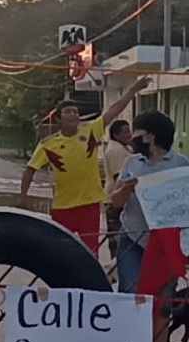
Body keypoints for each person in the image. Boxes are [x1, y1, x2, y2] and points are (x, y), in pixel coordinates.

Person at [19, 75, 151, 253]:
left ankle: (89, 282)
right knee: (59, 252)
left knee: (90, 252)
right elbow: (30, 169)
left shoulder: (91, 132)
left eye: (75, 111)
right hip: (62, 208)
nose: (73, 114)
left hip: (89, 206)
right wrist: (23, 197)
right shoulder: (47, 144)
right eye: (68, 112)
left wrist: (134, 90)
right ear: (59, 119)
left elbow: (114, 109)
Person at [109, 110, 189, 342]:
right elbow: (115, 202)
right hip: (133, 239)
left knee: (162, 302)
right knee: (131, 297)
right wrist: (127, 188)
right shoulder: (132, 163)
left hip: (166, 244)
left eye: (138, 134)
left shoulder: (182, 165)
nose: (133, 138)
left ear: (151, 136)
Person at [101, 119, 133, 259]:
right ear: (116, 134)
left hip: (121, 199)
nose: (129, 134)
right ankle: (117, 268)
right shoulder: (116, 151)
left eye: (129, 130)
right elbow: (119, 178)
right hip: (116, 200)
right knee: (118, 239)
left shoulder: (125, 148)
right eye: (125, 131)